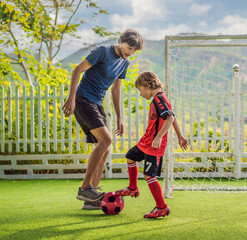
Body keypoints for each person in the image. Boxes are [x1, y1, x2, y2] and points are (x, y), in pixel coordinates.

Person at [62, 29, 144, 210]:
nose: (130, 52)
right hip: (83, 99)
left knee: (105, 148)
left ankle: (90, 199)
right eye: (129, 47)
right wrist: (71, 98)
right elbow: (77, 70)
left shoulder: (125, 63)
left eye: (134, 50)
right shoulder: (103, 51)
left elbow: (115, 90)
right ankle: (85, 188)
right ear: (121, 40)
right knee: (106, 140)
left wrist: (119, 118)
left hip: (97, 104)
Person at [117, 71, 188, 218]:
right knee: (130, 157)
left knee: (149, 175)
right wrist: (180, 136)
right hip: (146, 142)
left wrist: (159, 137)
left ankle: (162, 207)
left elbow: (169, 118)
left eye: (140, 90)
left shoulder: (159, 99)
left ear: (147, 85)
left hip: (154, 146)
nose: (140, 94)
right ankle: (132, 188)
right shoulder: (158, 99)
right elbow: (172, 117)